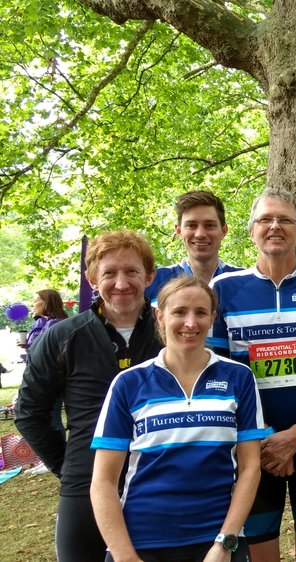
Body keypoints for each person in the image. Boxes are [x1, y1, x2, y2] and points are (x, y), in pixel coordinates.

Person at [208, 188, 296, 562]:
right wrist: (268, 439)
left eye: (285, 219)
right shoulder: (223, 289)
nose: (275, 226)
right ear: (251, 231)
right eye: (265, 219)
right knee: (261, 555)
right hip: (253, 446)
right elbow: (219, 375)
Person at [90, 276, 268, 562]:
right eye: (179, 312)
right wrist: (125, 556)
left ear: (212, 318)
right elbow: (103, 481)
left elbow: (250, 468)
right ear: (160, 316)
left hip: (215, 541)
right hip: (142, 541)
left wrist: (225, 543)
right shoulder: (129, 383)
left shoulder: (239, 377)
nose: (190, 323)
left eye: (200, 313)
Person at [15, 230, 163, 562]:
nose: (121, 283)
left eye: (132, 272)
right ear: (92, 278)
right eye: (109, 273)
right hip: (86, 484)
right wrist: (65, 464)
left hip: (160, 481)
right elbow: (29, 411)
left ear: (149, 276)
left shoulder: (172, 331)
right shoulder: (64, 336)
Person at [146, 190, 241, 306]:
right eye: (191, 225)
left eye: (209, 225)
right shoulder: (152, 282)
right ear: (179, 231)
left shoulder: (244, 281)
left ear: (224, 230)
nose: (200, 234)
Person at [20, 289, 70, 434]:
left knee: (51, 419)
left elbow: (55, 352)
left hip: (51, 378)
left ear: (47, 303)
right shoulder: (40, 323)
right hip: (35, 376)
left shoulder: (58, 325)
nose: (32, 304)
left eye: (36, 300)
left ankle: (58, 455)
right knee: (37, 418)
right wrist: (28, 346)